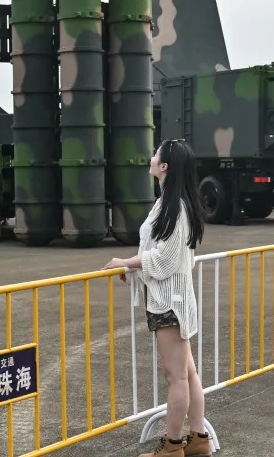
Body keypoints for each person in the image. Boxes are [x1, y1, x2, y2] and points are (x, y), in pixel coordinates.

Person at [101, 139, 210, 457]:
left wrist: (127, 263)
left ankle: (173, 446)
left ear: (164, 167)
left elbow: (164, 260)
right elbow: (162, 258)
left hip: (170, 304)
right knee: (187, 374)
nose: (151, 157)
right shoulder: (171, 204)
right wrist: (136, 269)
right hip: (170, 300)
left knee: (175, 376)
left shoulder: (176, 209)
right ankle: (198, 438)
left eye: (156, 154)